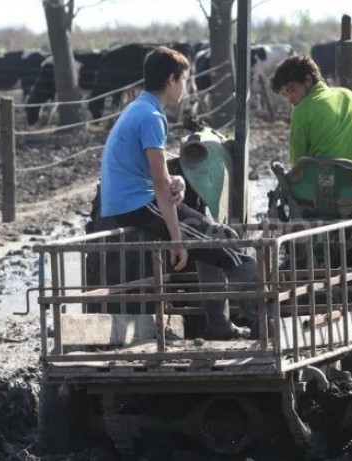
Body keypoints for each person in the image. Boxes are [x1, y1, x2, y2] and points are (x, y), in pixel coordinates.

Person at [99, 46, 256, 340]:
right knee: (229, 246)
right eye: (184, 80)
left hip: (129, 198)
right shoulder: (151, 118)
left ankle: (220, 325)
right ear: (171, 80)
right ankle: (265, 324)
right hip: (137, 202)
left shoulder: (139, 107)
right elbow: (158, 186)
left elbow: (157, 174)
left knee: (215, 241)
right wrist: (177, 240)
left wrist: (176, 181)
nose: (185, 87)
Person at [269, 55, 352, 178]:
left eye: (291, 91)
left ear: (308, 81)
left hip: (321, 189)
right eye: (285, 95)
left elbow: (297, 162)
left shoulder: (301, 111)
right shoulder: (351, 96)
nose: (289, 100)